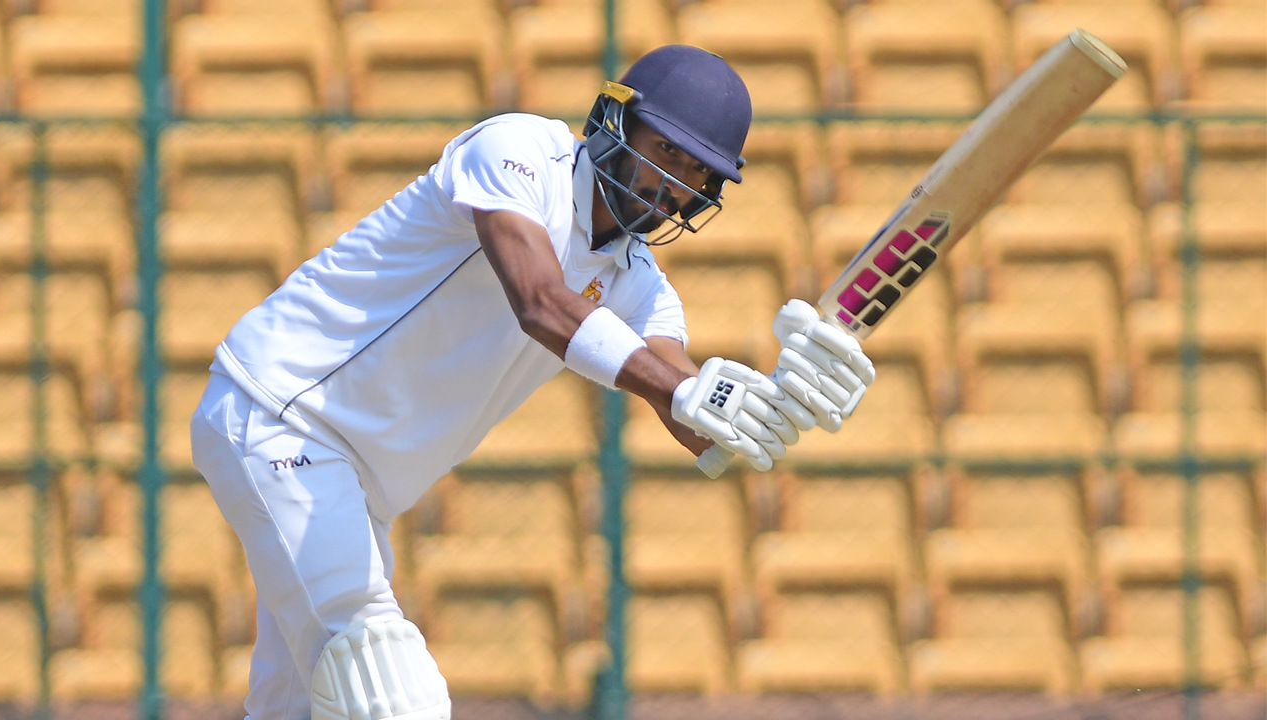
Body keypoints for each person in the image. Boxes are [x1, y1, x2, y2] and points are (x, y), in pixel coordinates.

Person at [190, 45, 874, 720]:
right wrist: (681, 391)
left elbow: (694, 416)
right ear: (616, 121)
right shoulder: (519, 155)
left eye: (696, 173)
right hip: (283, 415)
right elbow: (540, 302)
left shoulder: (643, 289)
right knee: (391, 695)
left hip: (356, 490)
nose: (672, 187)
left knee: (303, 707)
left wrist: (771, 404)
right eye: (666, 152)